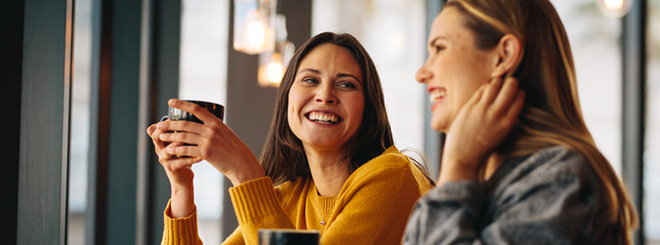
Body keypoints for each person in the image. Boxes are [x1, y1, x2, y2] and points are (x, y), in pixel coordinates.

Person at [147, 32, 433, 245]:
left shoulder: (391, 176)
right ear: (286, 99)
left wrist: (242, 168)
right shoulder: (290, 198)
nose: (324, 95)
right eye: (310, 80)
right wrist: (181, 186)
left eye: (346, 85)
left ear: (368, 107)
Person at [403, 0, 638, 244]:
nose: (421, 74)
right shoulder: (487, 177)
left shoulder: (560, 179)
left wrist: (458, 164)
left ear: (503, 56)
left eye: (439, 48)